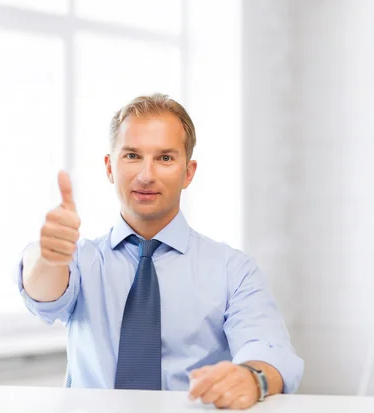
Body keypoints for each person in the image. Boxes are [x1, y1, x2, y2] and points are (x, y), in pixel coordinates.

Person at [15, 93, 303, 409]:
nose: (146, 175)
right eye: (132, 156)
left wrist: (251, 378)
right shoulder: (80, 259)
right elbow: (42, 292)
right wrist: (48, 256)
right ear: (110, 167)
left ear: (188, 172)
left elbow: (268, 348)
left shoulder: (232, 269)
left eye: (165, 158)